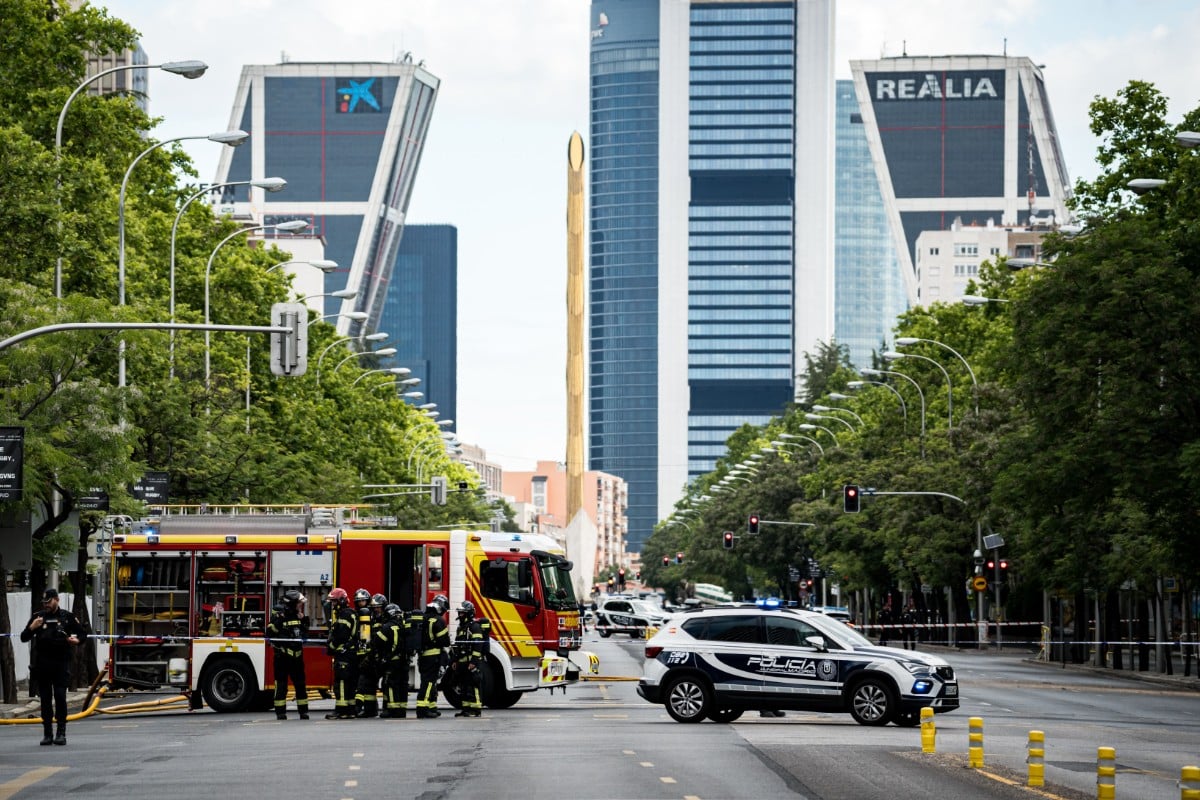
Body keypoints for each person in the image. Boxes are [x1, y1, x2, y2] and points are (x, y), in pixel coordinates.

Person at [20, 587, 84, 745]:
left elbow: (83, 633)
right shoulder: (38, 618)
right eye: (44, 602)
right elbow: (23, 637)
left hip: (61, 663)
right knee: (45, 699)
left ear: (57, 600)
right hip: (43, 664)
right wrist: (32, 627)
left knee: (60, 696)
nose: (46, 605)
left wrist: (77, 640)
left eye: (49, 602)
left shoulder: (67, 617)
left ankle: (61, 732)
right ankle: (47, 733)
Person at [266, 589, 309, 720]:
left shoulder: (298, 615)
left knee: (300, 685)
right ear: (292, 603)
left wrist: (304, 621)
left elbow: (303, 635)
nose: (300, 605)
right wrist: (279, 621)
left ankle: (303, 712)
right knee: (281, 685)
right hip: (282, 657)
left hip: (297, 657)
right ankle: (280, 712)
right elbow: (269, 633)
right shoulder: (279, 616)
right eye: (298, 603)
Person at [324, 587, 357, 719]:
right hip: (350, 653)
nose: (333, 605)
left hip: (344, 654)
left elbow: (341, 636)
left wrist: (331, 646)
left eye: (334, 602)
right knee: (349, 683)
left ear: (342, 601)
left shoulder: (345, 615)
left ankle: (341, 710)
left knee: (341, 683)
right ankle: (350, 710)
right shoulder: (351, 613)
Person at [416, 594, 450, 719]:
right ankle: (422, 709)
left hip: (423, 656)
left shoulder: (423, 618)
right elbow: (444, 641)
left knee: (429, 682)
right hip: (433, 656)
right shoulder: (438, 620)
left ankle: (431, 708)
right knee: (429, 683)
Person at [375, 603, 411, 718]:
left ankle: (392, 710)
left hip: (392, 662)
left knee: (391, 685)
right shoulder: (405, 626)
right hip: (405, 662)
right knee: (403, 685)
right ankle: (402, 710)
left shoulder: (387, 627)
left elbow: (377, 643)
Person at [449, 601, 484, 717]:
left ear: (469, 613)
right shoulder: (461, 628)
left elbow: (478, 645)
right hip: (462, 662)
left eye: (462, 613)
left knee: (473, 686)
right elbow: (458, 646)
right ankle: (466, 709)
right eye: (459, 613)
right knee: (463, 686)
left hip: (470, 662)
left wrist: (474, 661)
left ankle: (476, 709)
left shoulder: (475, 627)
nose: (459, 615)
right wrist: (454, 660)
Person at [354, 591, 385, 718]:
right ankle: (370, 710)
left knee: (367, 683)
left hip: (380, 656)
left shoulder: (384, 619)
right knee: (368, 684)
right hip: (370, 655)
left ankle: (361, 708)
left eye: (378, 607)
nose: (376, 609)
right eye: (374, 607)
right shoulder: (368, 618)